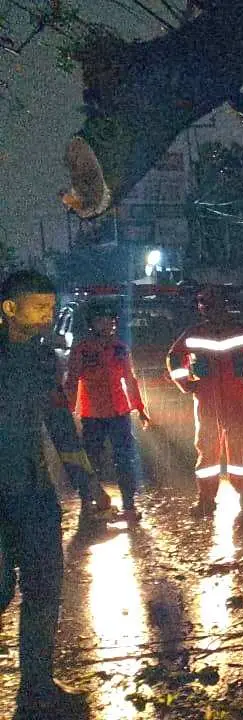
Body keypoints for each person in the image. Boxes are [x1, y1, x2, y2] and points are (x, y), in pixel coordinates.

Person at [0, 270, 92, 717]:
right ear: (10, 309)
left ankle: (36, 690)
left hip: (34, 496)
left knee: (44, 591)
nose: (48, 317)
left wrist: (86, 483)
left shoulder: (40, 362)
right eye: (40, 308)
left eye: (51, 309)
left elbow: (59, 425)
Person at [166, 286, 243, 517]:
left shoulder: (203, 332)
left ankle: (238, 497)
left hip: (227, 397)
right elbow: (174, 358)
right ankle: (210, 499)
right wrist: (186, 383)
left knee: (236, 449)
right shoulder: (229, 331)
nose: (215, 311)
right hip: (217, 398)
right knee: (210, 449)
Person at [63, 302, 152, 524]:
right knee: (92, 460)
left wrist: (139, 408)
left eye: (111, 320)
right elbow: (73, 381)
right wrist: (67, 409)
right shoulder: (82, 350)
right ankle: (88, 501)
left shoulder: (120, 348)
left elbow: (129, 379)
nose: (108, 324)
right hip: (92, 413)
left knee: (124, 459)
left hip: (118, 412)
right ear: (92, 323)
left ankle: (129, 504)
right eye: (102, 320)